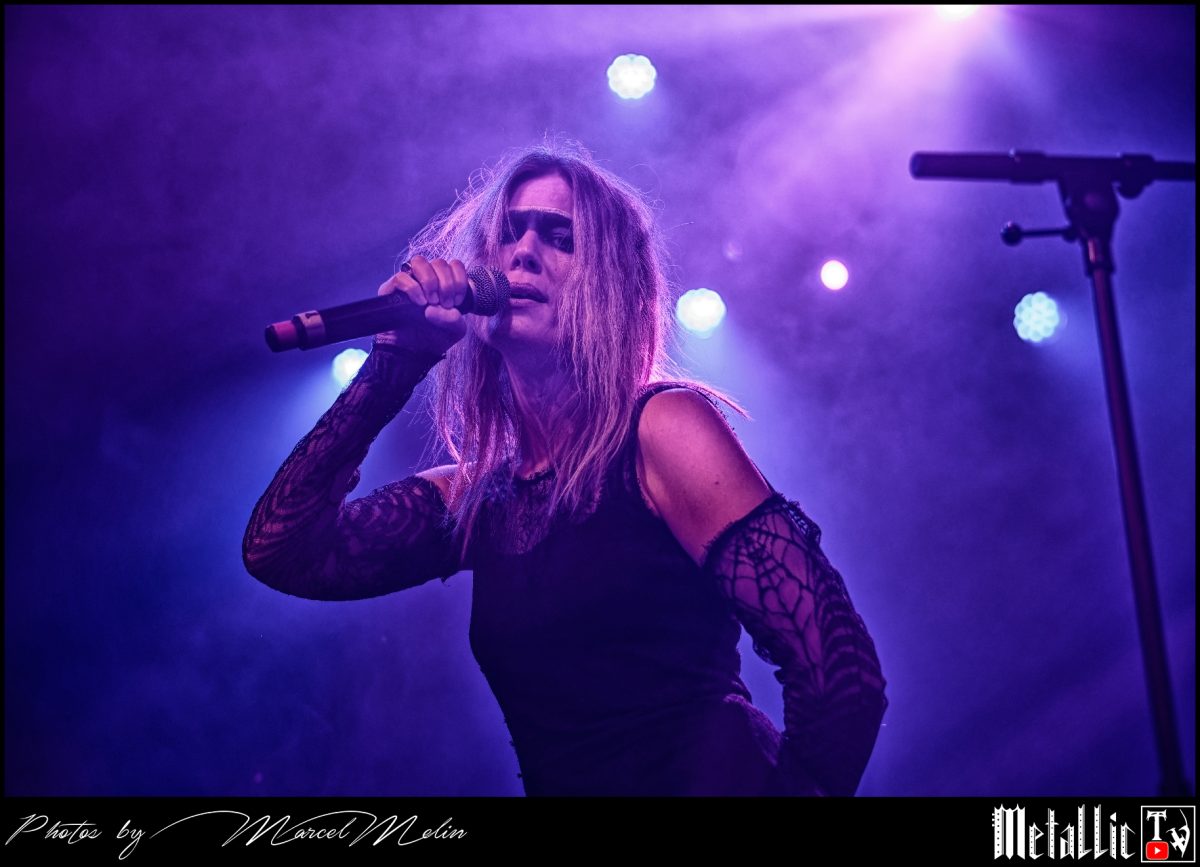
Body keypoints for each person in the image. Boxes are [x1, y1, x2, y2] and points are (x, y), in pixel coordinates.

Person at [242, 141, 887, 796]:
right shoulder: (479, 498)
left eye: (560, 238)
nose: (523, 253)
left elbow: (843, 679)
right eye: (507, 233)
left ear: (613, 287)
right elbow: (280, 551)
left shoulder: (661, 430)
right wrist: (394, 364)